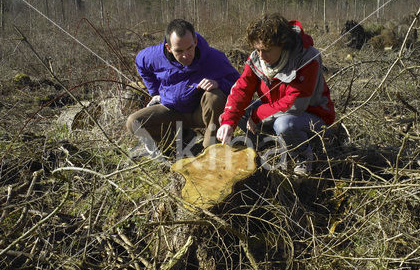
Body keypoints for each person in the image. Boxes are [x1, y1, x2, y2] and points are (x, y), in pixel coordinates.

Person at [216, 13, 335, 175]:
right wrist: (228, 121)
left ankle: (303, 157)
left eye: (266, 51)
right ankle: (263, 148)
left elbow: (295, 103)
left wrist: (258, 115)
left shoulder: (307, 58)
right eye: (257, 50)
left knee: (284, 124)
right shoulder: (257, 59)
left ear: (283, 45)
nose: (261, 56)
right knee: (238, 113)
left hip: (313, 119)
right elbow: (241, 90)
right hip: (276, 112)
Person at [127, 19, 240, 159]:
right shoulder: (153, 56)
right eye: (179, 51)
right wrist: (155, 92)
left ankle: (212, 150)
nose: (186, 55)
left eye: (190, 48)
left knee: (215, 97)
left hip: (201, 112)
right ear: (168, 48)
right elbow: (140, 63)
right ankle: (177, 151)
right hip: (171, 110)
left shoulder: (214, 58)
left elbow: (239, 84)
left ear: (195, 42)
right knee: (134, 122)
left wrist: (219, 84)